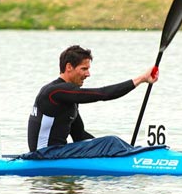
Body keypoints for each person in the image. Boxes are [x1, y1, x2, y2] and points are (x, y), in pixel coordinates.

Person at [27, 45, 158, 152]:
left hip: (57, 152)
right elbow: (103, 94)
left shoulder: (68, 97)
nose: (88, 74)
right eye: (84, 69)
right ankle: (134, 156)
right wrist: (141, 79)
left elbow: (79, 136)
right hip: (44, 154)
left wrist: (107, 149)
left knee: (110, 143)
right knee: (111, 141)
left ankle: (133, 152)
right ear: (68, 67)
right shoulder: (54, 92)